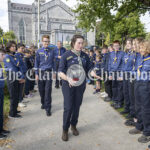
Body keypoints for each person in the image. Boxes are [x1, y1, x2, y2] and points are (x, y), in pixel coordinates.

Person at [58, 35, 93, 141]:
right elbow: (60, 72)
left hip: (80, 85)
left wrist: (93, 72)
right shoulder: (66, 55)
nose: (81, 45)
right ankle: (65, 129)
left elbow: (89, 68)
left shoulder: (85, 56)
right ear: (73, 43)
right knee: (68, 107)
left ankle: (73, 125)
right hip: (68, 85)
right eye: (79, 43)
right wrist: (68, 79)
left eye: (82, 43)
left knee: (77, 106)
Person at [129, 40, 150, 143]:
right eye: (140, 48)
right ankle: (139, 126)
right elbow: (137, 70)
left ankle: (147, 132)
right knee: (138, 106)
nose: (140, 49)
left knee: (146, 109)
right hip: (138, 83)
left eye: (142, 48)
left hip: (146, 85)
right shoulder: (141, 58)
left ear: (147, 48)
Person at [35, 35, 55, 116]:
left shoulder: (52, 51)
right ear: (42, 42)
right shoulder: (39, 51)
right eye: (45, 41)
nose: (46, 43)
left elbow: (53, 62)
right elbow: (36, 63)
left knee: (48, 91)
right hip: (41, 73)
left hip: (49, 73)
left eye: (48, 41)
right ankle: (43, 102)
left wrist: (54, 72)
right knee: (41, 90)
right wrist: (36, 74)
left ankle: (48, 108)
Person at [4, 41, 25, 118]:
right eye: (12, 46)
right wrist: (20, 76)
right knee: (13, 96)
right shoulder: (7, 57)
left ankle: (15, 110)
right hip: (11, 77)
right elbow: (13, 69)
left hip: (16, 77)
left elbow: (19, 67)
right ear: (9, 47)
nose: (14, 47)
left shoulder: (13, 56)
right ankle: (12, 114)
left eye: (14, 46)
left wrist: (21, 77)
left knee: (16, 95)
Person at [108, 40, 124, 109]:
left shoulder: (122, 53)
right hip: (113, 72)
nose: (116, 47)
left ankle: (120, 102)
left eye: (117, 45)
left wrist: (121, 75)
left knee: (119, 88)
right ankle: (115, 101)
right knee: (114, 87)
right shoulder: (111, 54)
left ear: (119, 46)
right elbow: (109, 64)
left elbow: (123, 64)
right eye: (115, 46)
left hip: (119, 72)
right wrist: (110, 74)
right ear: (113, 46)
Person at [0, 48, 10, 139]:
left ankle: (1, 129)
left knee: (1, 111)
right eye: (2, 55)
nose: (4, 57)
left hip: (1, 89)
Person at [15, 43, 27, 108]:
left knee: (22, 88)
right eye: (22, 48)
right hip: (20, 75)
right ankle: (19, 101)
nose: (23, 49)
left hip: (23, 73)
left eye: (23, 48)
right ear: (18, 48)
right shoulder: (16, 56)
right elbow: (18, 67)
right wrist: (21, 76)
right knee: (20, 88)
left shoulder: (21, 55)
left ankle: (21, 99)